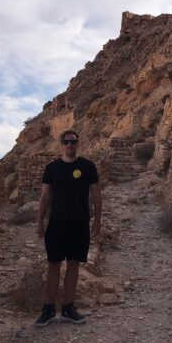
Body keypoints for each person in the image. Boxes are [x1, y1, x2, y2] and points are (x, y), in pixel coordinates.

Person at [34, 129, 101, 326]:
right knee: (53, 266)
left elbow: (96, 195)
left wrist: (98, 221)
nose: (70, 145)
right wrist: (39, 222)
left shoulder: (88, 167)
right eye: (67, 142)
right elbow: (45, 197)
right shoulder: (52, 168)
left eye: (73, 141)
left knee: (73, 265)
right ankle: (47, 309)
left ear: (78, 143)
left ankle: (68, 308)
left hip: (80, 224)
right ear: (61, 144)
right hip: (56, 224)